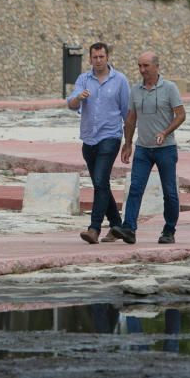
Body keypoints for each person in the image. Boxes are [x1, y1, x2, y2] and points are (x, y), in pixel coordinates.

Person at [110, 51, 186, 244]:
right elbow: (131, 118)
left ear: (156, 66)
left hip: (165, 149)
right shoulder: (135, 90)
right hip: (143, 149)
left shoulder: (169, 88)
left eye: (146, 66)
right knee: (135, 188)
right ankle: (129, 228)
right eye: (139, 66)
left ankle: (169, 230)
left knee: (169, 192)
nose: (142, 70)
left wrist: (165, 132)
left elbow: (180, 115)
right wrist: (127, 143)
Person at [67, 42, 131, 244]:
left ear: (107, 57)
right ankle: (117, 225)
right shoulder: (83, 79)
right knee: (100, 183)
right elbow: (70, 104)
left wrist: (128, 142)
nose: (98, 60)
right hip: (89, 138)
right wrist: (79, 97)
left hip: (110, 136)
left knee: (100, 181)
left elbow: (127, 113)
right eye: (94, 57)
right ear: (90, 59)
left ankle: (93, 228)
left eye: (101, 57)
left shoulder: (120, 80)